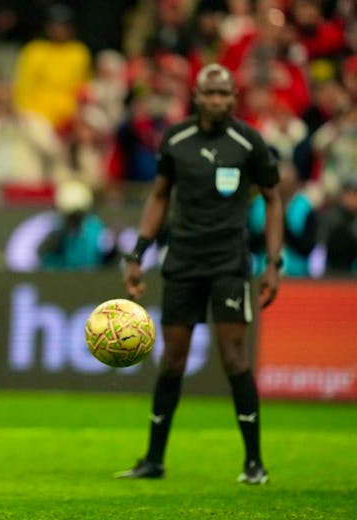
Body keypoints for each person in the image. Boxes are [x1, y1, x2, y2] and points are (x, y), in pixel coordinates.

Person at [116, 64, 282, 485]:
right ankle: (153, 459)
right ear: (196, 95)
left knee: (233, 358)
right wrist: (138, 253)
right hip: (184, 261)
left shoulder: (248, 141)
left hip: (228, 262)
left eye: (225, 95)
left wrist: (273, 264)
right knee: (172, 360)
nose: (218, 102)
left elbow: (273, 200)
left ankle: (254, 463)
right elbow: (158, 197)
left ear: (233, 98)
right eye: (211, 94)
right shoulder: (176, 139)